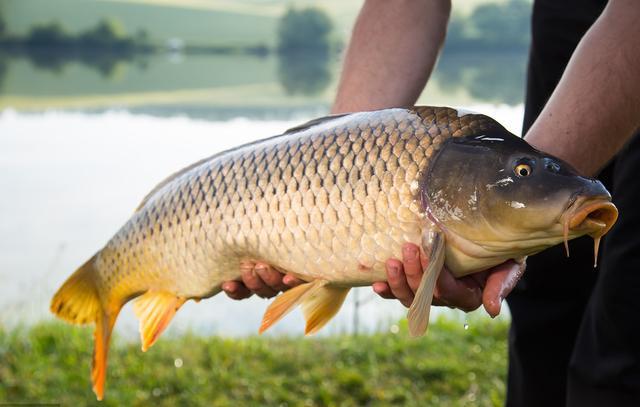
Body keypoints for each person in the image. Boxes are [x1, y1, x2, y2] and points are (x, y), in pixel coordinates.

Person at [222, 0, 640, 405]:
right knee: (543, 307)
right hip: (565, 14)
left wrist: (540, 194)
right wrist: (334, 188)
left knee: (623, 334)